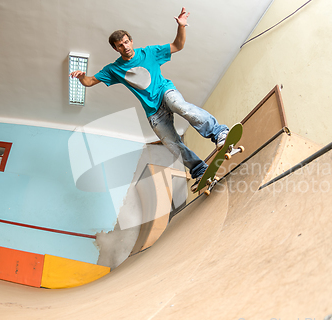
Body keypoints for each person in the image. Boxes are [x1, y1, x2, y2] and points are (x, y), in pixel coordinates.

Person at [69, 7, 228, 192]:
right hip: (153, 111)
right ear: (115, 48)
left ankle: (219, 133)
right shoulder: (113, 69)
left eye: (127, 42)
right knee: (171, 144)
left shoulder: (149, 53)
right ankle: (199, 170)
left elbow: (178, 45)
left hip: (165, 92)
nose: (125, 47)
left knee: (181, 106)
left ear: (131, 41)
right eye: (120, 45)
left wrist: (182, 26)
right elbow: (90, 81)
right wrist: (81, 77)